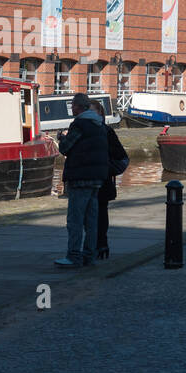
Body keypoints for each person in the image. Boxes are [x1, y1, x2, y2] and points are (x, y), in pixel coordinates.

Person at [53, 93, 109, 267]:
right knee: (91, 220)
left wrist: (62, 138)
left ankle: (73, 256)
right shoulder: (99, 125)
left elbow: (65, 148)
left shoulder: (79, 124)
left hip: (80, 178)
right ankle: (89, 255)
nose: (72, 109)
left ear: (78, 107)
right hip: (96, 178)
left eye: (73, 106)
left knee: (75, 220)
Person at [92, 99, 129, 260]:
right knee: (91, 215)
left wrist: (108, 169)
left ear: (100, 114)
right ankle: (94, 245)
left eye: (93, 111)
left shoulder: (107, 132)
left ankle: (101, 244)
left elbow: (121, 156)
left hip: (102, 180)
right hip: (89, 179)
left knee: (100, 213)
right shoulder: (82, 129)